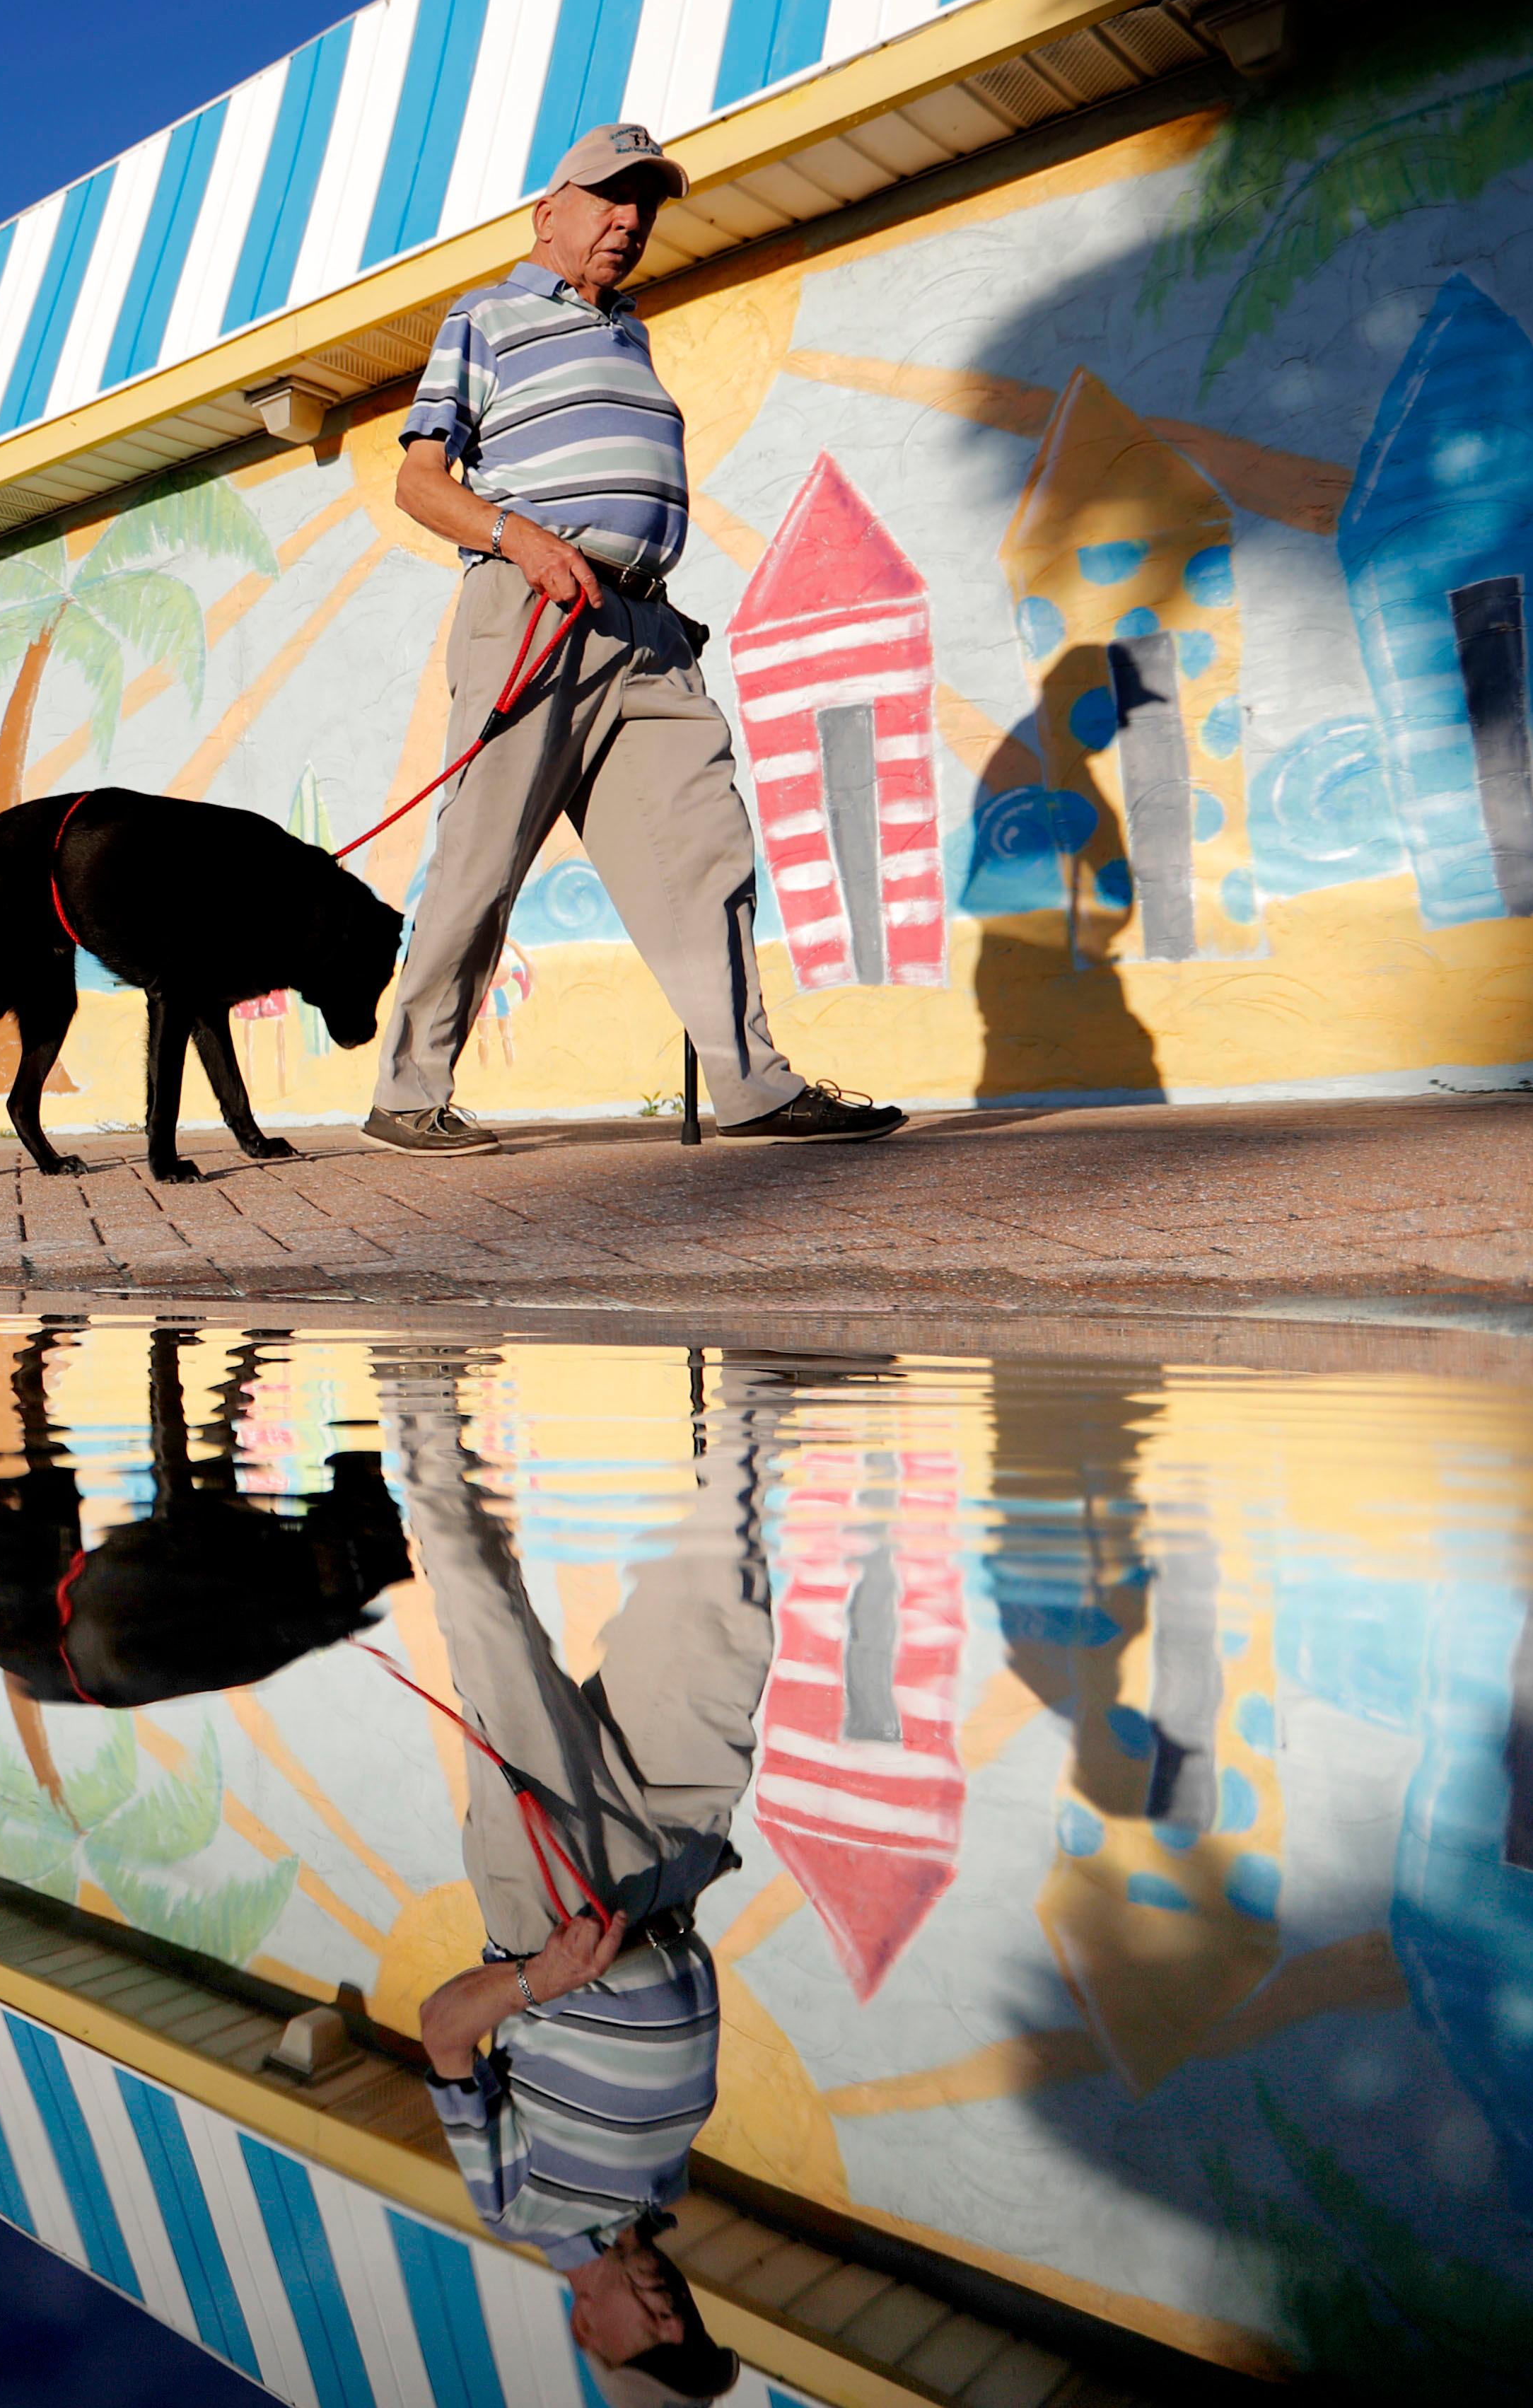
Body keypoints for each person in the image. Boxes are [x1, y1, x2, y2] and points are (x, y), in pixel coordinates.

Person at [366, 122, 902, 1156]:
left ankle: (749, 1085)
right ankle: (405, 1092)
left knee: (705, 845)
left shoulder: (629, 332)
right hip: (536, 607)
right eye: (609, 198)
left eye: (643, 205)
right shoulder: (486, 317)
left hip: (647, 628)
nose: (628, 221)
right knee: (484, 854)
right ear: (546, 212)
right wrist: (513, 535)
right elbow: (419, 481)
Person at [383, 1341, 781, 2405]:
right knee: (726, 1613)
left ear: (588, 2332)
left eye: (647, 2342)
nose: (666, 2314)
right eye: (685, 2333)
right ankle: (760, 1361)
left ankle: (413, 1379)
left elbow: (441, 2034)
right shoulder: (658, 2197)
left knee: (485, 1619)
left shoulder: (517, 2207)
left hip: (555, 1899)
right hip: (675, 1861)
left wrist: (539, 1984)